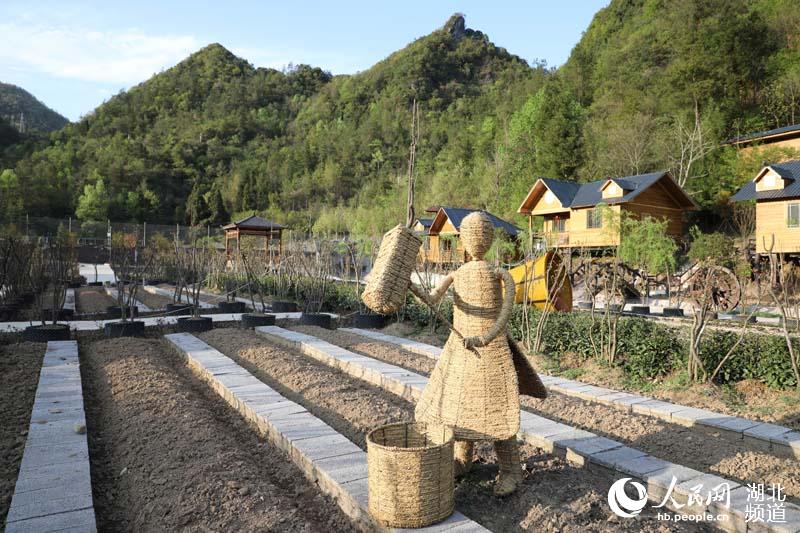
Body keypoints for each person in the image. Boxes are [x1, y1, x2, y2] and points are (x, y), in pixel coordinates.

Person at [414, 211, 546, 497]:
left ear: (488, 238)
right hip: (460, 349)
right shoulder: (456, 274)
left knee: (497, 412)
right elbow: (432, 298)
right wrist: (413, 288)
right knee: (457, 407)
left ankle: (511, 469)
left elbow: (503, 315)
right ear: (463, 239)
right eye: (471, 234)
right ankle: (463, 459)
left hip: (491, 351)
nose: (476, 239)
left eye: (481, 233)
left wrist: (485, 337)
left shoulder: (500, 274)